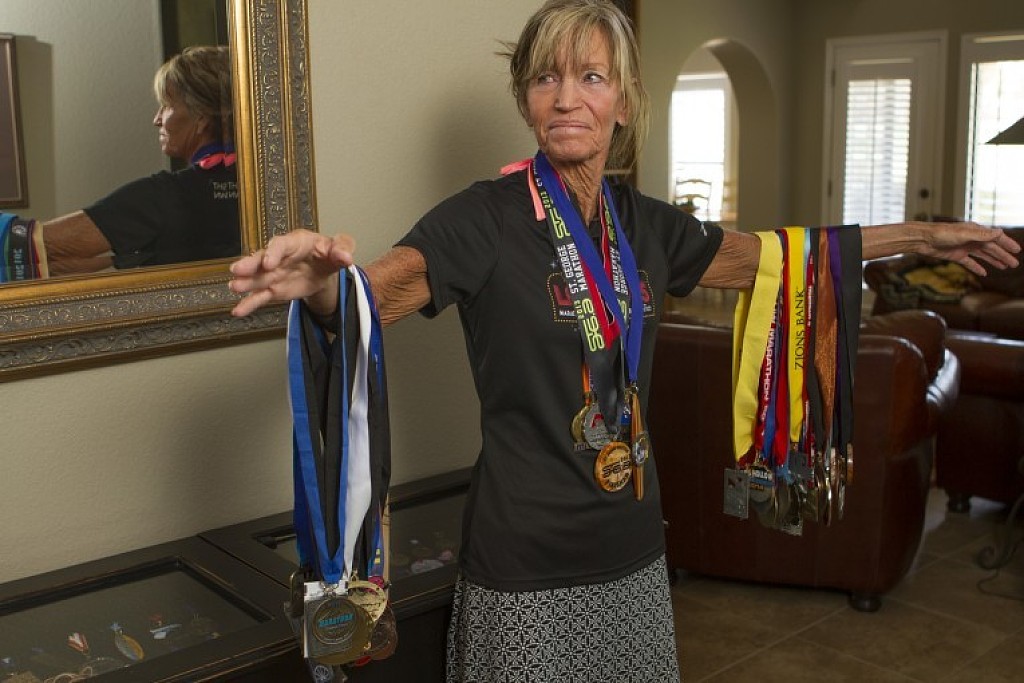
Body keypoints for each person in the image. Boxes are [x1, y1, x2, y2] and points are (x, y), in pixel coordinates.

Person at [227, 1, 1021, 680]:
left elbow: (779, 258)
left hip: (633, 549)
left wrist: (920, 234)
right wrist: (323, 285)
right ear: (527, 99)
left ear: (625, 101)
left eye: (591, 77)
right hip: (524, 563)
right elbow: (374, 294)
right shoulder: (484, 218)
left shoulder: (647, 226)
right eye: (547, 78)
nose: (567, 98)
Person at [39, 45, 239, 276]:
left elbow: (32, 246)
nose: (157, 119)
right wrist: (119, 262)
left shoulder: (165, 197)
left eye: (167, 106)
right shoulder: (266, 186)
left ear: (202, 117)